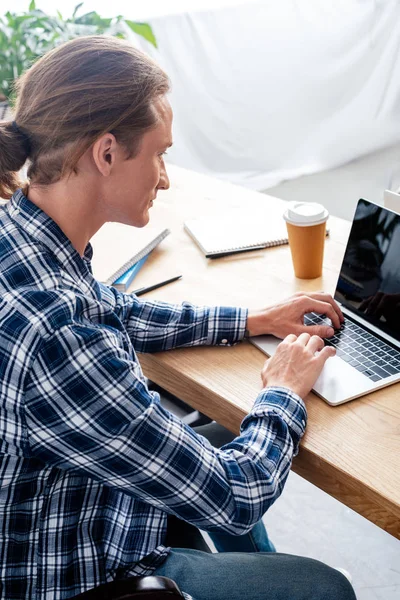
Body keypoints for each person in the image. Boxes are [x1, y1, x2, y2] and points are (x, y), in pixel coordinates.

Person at [0, 36, 356, 600]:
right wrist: (284, 389)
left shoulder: (19, 238)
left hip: (83, 497)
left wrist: (253, 317)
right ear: (107, 152)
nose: (165, 177)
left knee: (223, 439)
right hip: (78, 570)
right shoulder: (59, 337)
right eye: (160, 153)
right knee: (320, 587)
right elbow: (236, 496)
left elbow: (117, 308)